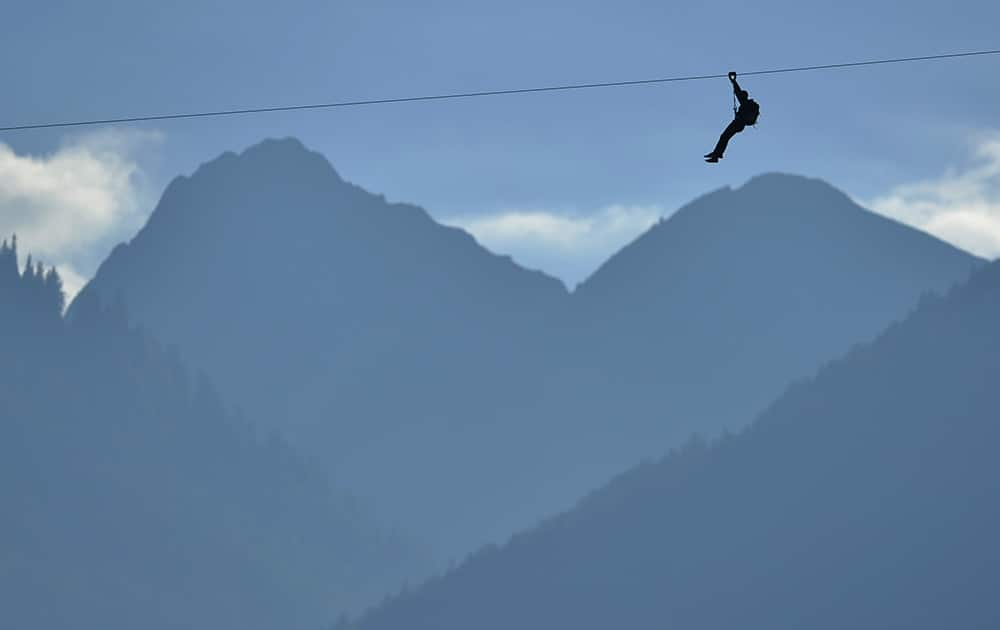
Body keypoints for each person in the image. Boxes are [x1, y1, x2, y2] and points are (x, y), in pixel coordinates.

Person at [705, 72, 760, 163]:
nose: (739, 97)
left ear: (744, 96)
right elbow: (738, 92)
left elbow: (738, 92)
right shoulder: (747, 103)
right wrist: (733, 81)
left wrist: (733, 81)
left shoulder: (745, 103)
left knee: (724, 137)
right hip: (739, 124)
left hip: (738, 123)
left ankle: (716, 155)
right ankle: (716, 154)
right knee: (724, 137)